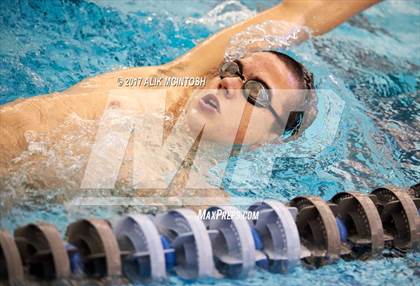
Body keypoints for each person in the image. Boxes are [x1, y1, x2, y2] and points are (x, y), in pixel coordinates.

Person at [0, 0, 380, 190]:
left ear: (269, 139)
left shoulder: (194, 200)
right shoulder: (170, 82)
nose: (230, 82)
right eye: (234, 70)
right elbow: (299, 13)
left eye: (255, 92)